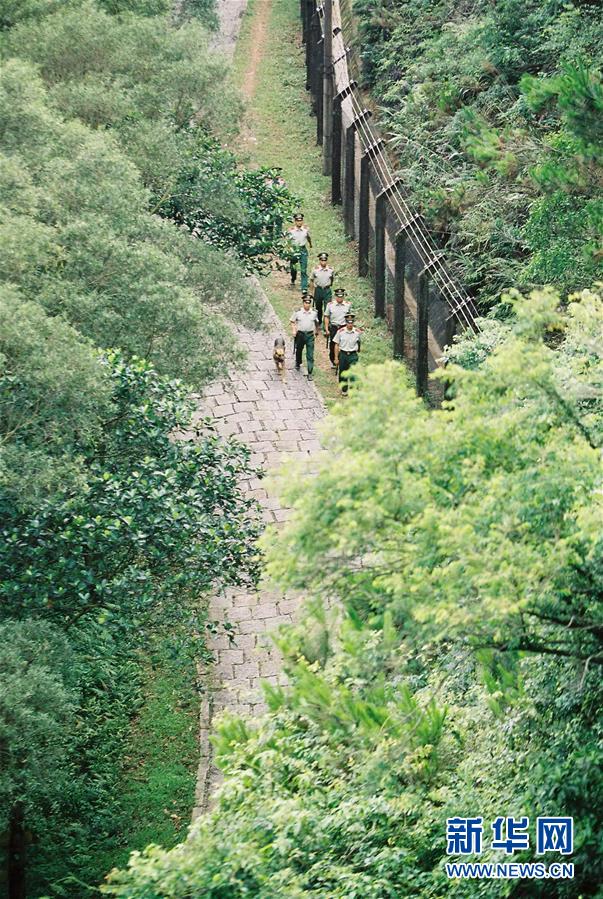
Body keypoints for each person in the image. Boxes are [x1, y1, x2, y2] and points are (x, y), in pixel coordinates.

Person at [290, 293, 320, 380]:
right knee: (299, 349)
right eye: (306, 303)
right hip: (300, 334)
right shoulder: (298, 312)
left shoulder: (314, 312)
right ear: (303, 303)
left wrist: (317, 331)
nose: (307, 304)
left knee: (310, 354)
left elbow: (316, 322)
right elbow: (292, 321)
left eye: (309, 302)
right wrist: (294, 330)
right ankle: (298, 362)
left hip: (310, 335)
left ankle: (310, 372)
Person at [333, 312, 361, 395]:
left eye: (352, 322)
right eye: (348, 322)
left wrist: (358, 349)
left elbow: (359, 342)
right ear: (346, 322)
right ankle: (344, 389)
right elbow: (336, 344)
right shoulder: (340, 332)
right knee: (343, 372)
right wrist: (336, 358)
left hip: (353, 355)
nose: (350, 324)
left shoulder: (357, 332)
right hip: (343, 354)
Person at [324, 287, 351, 368]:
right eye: (338, 296)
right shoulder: (330, 305)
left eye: (341, 296)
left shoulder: (348, 305)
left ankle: (342, 361)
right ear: (335, 296)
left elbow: (350, 317)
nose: (340, 298)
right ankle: (333, 361)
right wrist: (326, 328)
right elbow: (326, 316)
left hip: (343, 327)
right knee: (333, 345)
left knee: (343, 345)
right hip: (334, 327)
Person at [287, 213, 312, 292]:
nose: (299, 222)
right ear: (295, 221)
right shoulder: (291, 230)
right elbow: (288, 241)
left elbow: (308, 237)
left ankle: (304, 287)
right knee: (293, 268)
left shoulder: (305, 229)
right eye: (298, 221)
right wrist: (289, 250)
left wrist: (310, 244)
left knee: (303, 270)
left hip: (303, 250)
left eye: (301, 220)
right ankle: (293, 279)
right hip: (294, 250)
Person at [309, 252, 334, 325]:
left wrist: (330, 284)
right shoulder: (315, 269)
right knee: (318, 307)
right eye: (322, 260)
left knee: (327, 307)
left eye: (325, 260)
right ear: (319, 261)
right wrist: (311, 292)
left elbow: (332, 278)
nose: (323, 262)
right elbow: (311, 280)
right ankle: (319, 321)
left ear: (327, 260)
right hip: (318, 290)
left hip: (327, 290)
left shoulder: (331, 269)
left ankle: (326, 324)